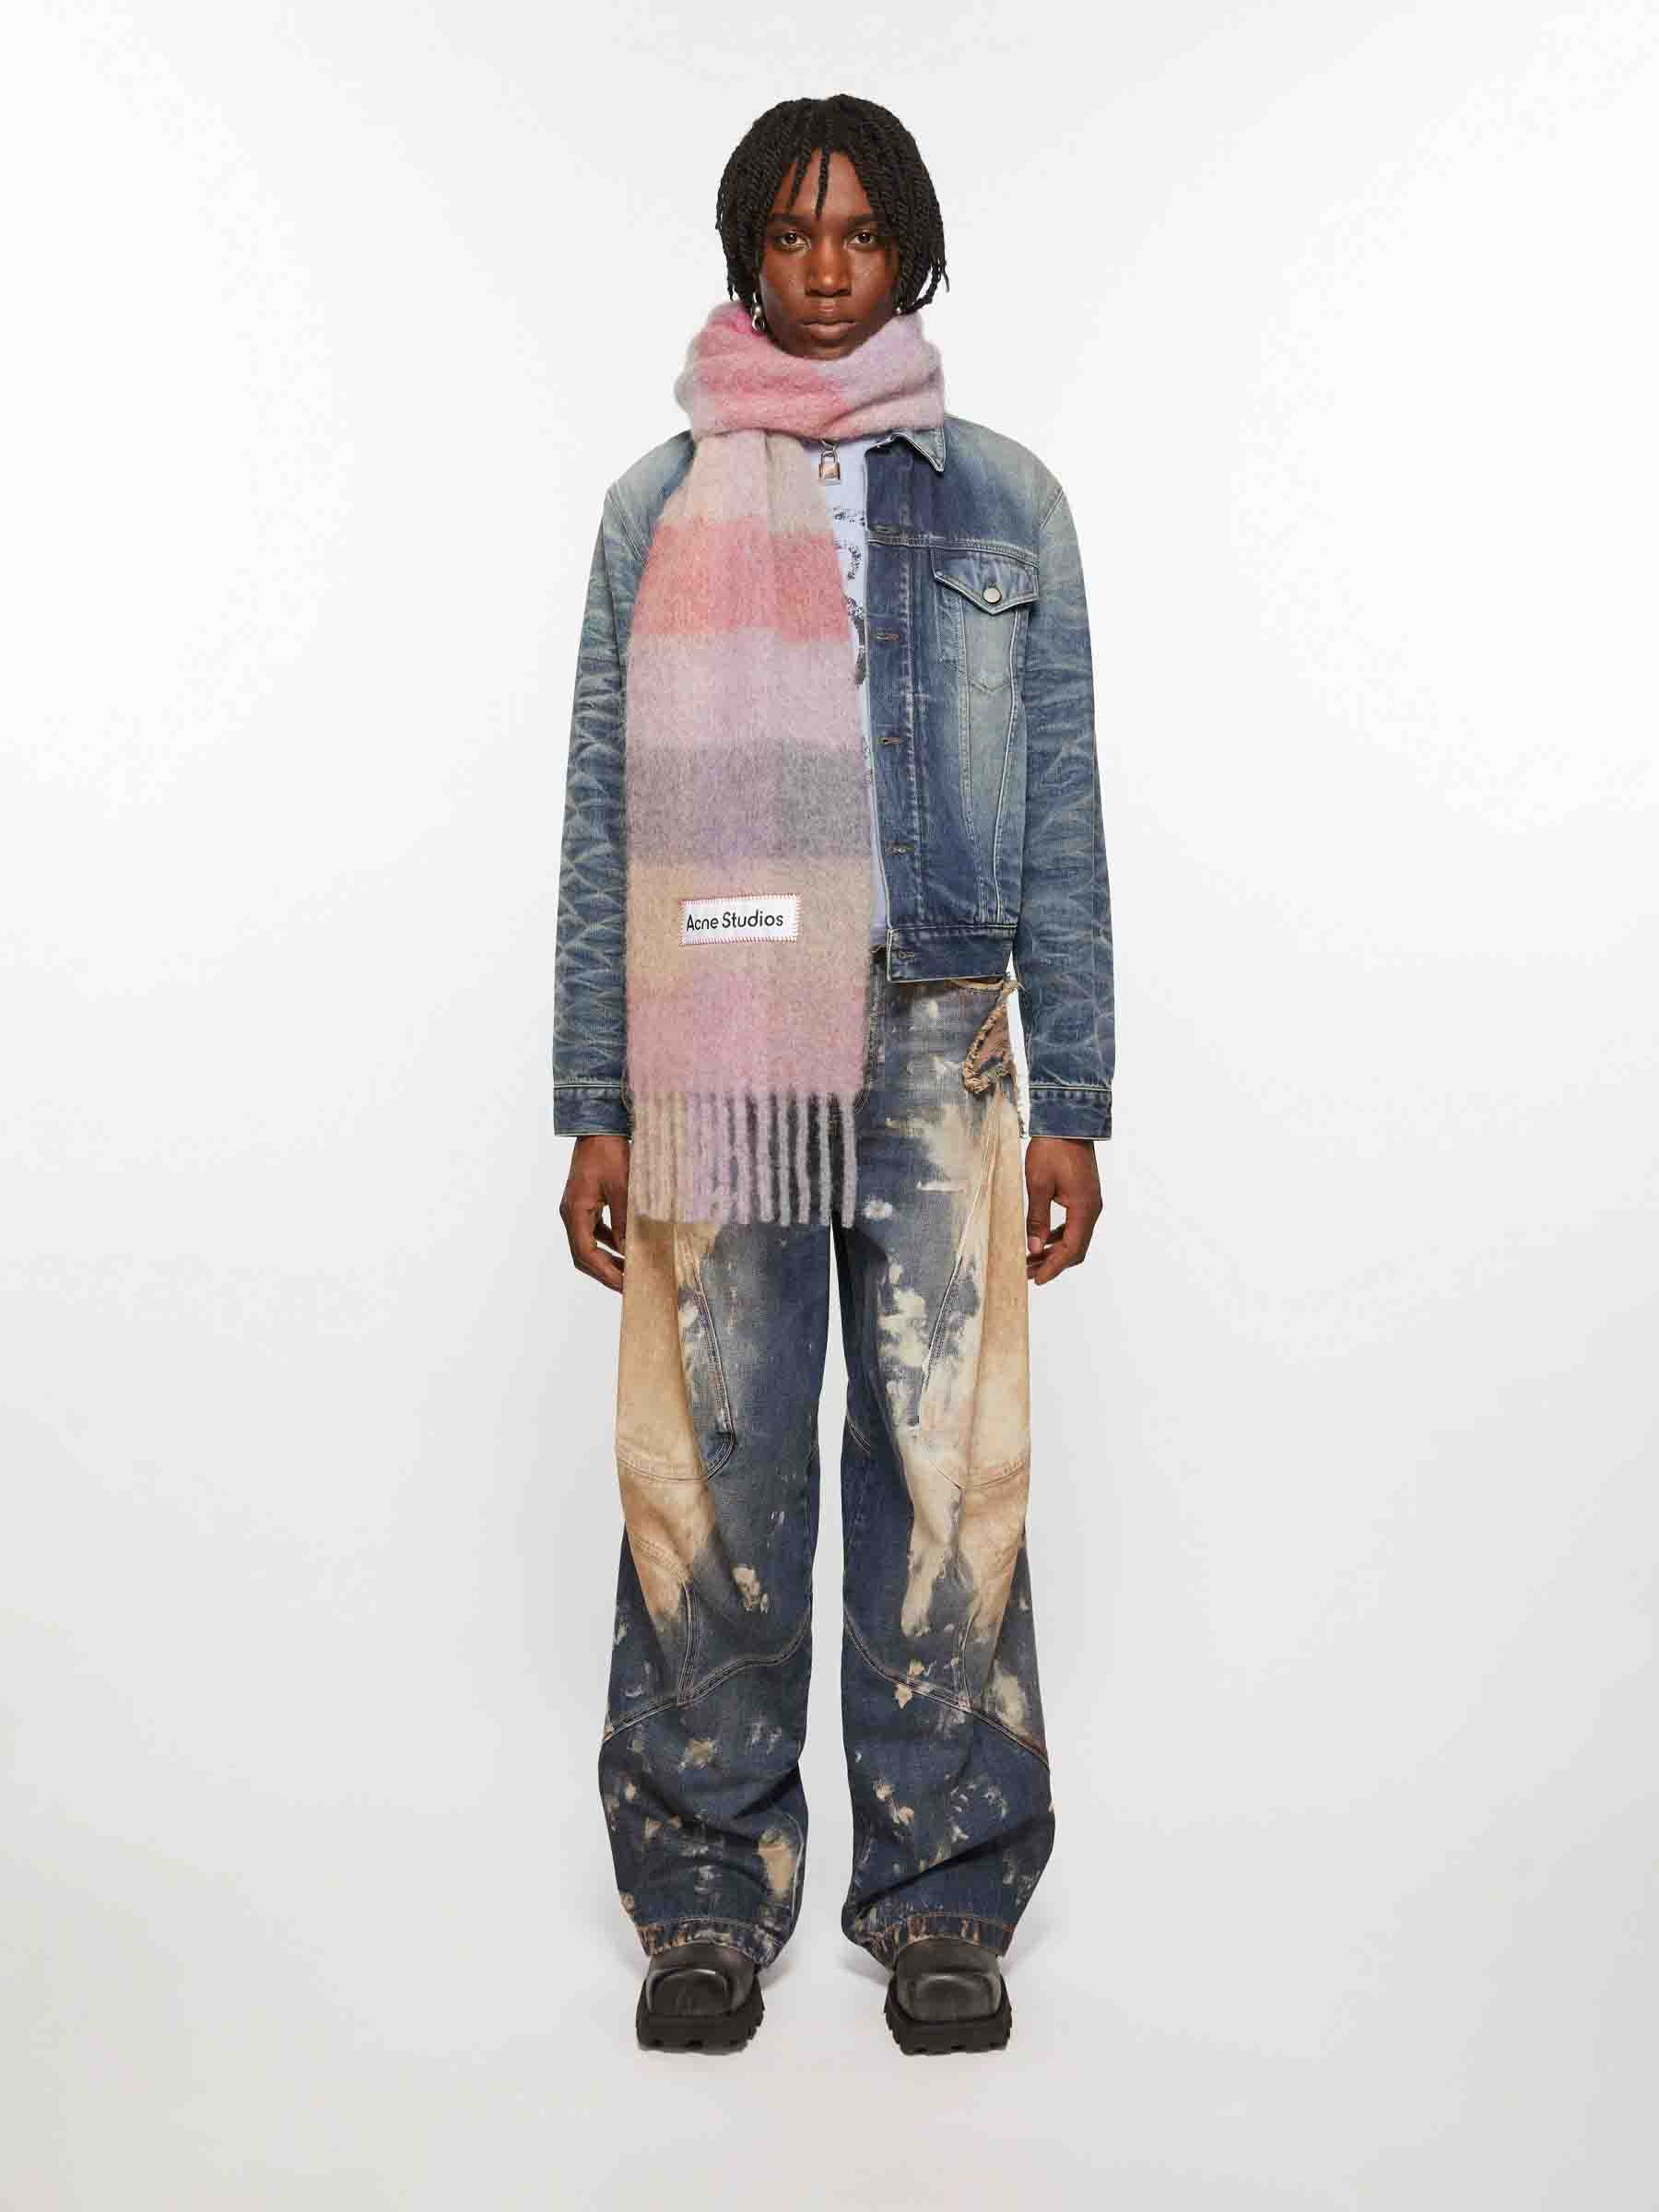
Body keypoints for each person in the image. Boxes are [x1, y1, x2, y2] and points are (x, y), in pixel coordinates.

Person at [552, 93, 1114, 2054]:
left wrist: (1075, 1098)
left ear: (910, 253)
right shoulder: (655, 509)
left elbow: (1061, 814)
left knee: (946, 1476)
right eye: (790, 235)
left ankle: (944, 1896)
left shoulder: (1008, 503)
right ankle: (705, 1897)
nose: (822, 269)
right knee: (715, 1469)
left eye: (859, 234)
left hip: (944, 1041)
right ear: (745, 251)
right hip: (718, 1056)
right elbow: (603, 825)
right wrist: (594, 1099)